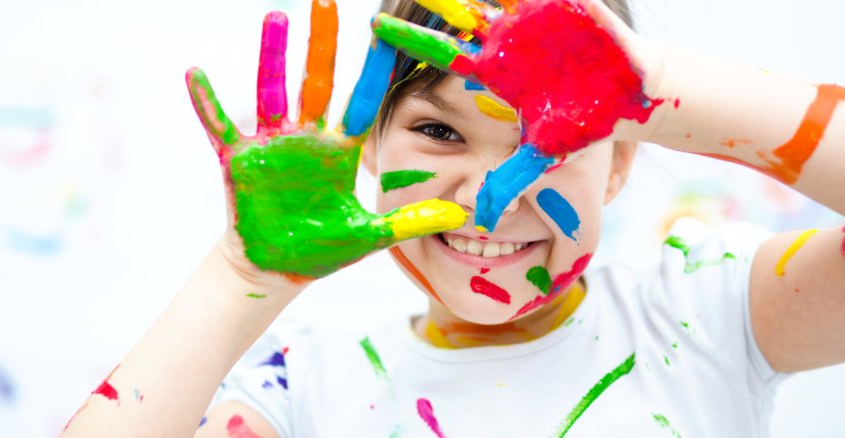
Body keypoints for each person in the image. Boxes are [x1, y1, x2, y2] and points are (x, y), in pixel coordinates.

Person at [61, 0, 845, 436]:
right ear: (367, 147)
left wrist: (658, 84)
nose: (489, 194)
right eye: (439, 133)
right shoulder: (302, 392)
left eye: (547, 140)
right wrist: (240, 276)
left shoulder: (706, 313)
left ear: (622, 163)